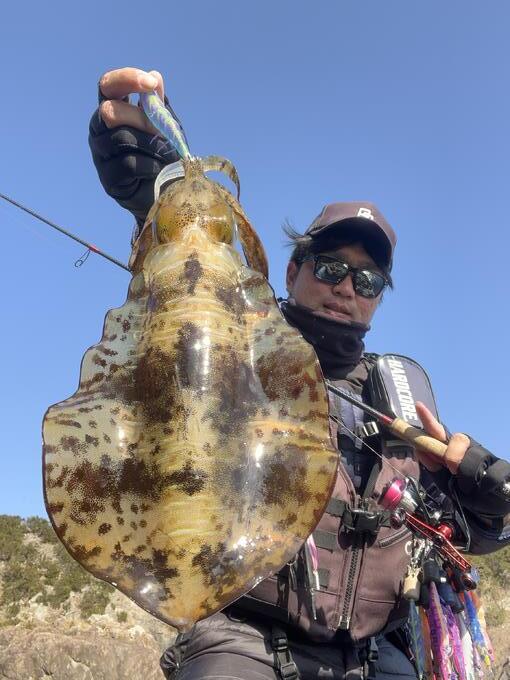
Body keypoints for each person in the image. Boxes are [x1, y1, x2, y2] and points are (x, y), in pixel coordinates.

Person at [89, 67, 510, 680]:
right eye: (330, 268)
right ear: (293, 272)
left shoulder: (402, 392)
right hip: (245, 639)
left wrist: (486, 493)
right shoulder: (238, 342)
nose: (346, 288)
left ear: (378, 299)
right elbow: (185, 304)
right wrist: (157, 193)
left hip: (378, 652)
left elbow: (468, 537)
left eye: (368, 281)